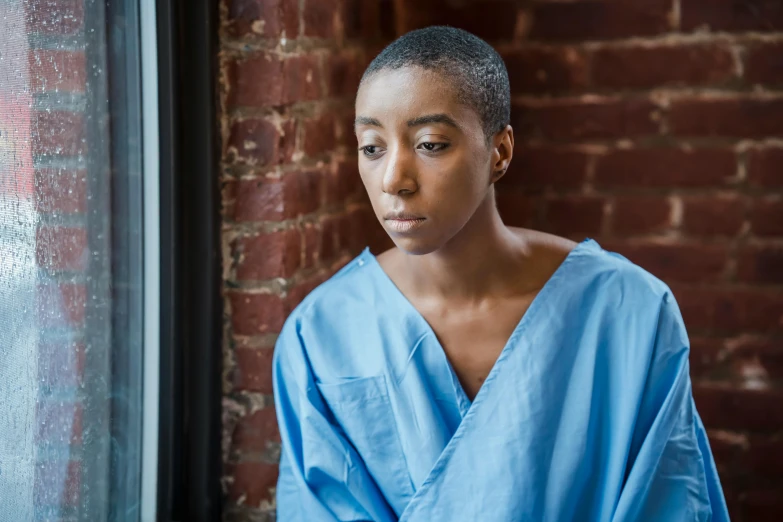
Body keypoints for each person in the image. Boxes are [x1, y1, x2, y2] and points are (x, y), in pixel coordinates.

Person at [272, 26, 729, 521]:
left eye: (429, 144)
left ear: (500, 152)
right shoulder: (319, 334)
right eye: (372, 147)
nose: (393, 181)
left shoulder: (629, 312)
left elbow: (668, 502)